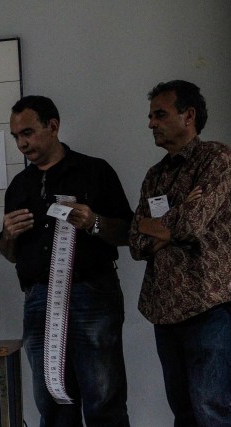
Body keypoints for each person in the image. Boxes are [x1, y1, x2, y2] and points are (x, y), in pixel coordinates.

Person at [0, 95, 132, 426]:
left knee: (103, 399)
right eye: (15, 136)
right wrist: (8, 236)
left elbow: (129, 232)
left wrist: (94, 222)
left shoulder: (95, 171)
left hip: (92, 295)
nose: (22, 143)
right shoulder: (18, 185)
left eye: (27, 132)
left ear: (53, 126)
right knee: (53, 402)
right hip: (38, 300)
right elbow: (9, 254)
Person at [129, 80, 231, 426]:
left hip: (208, 305)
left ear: (188, 116)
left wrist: (160, 225)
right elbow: (136, 242)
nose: (151, 123)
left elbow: (192, 225)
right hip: (164, 311)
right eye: (150, 115)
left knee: (212, 409)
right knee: (183, 412)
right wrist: (174, 220)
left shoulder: (217, 159)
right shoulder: (155, 175)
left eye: (160, 114)